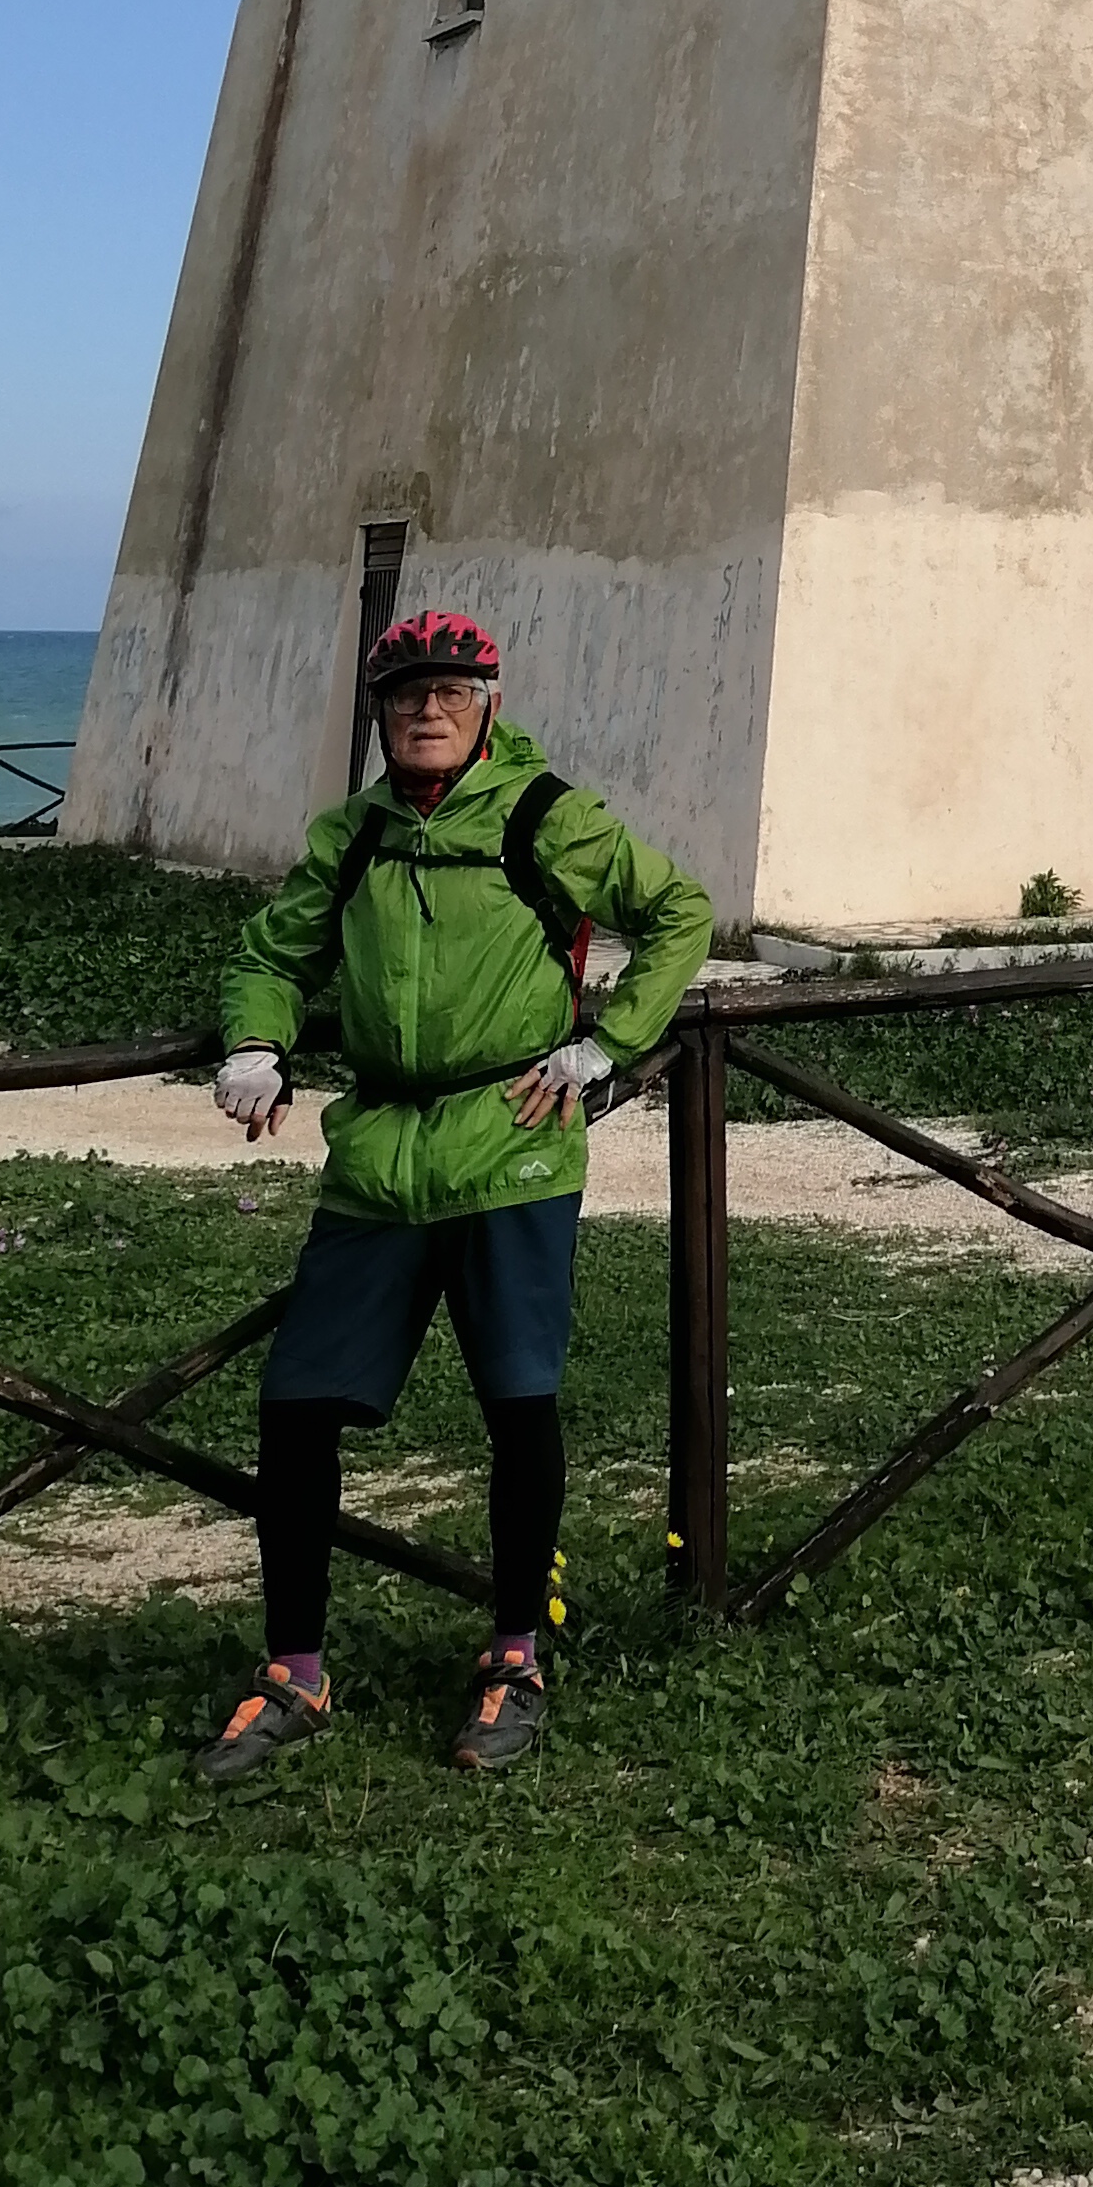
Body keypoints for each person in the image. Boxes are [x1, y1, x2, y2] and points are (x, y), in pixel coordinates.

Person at [193, 610, 714, 1781]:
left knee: (519, 1407)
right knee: (296, 1407)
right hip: (380, 1156)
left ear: (489, 707)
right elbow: (273, 952)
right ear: (379, 711)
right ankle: (295, 1671)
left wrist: (608, 1044)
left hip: (508, 1146)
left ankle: (515, 1658)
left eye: (452, 694)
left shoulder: (542, 816)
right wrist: (257, 1041)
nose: (428, 711)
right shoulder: (356, 834)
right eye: (406, 694)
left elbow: (679, 910)